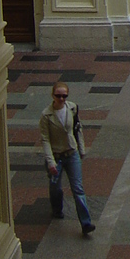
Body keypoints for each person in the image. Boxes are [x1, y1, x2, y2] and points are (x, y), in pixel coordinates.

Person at [39, 82, 96, 235]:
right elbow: (45, 139)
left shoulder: (72, 108)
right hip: (56, 156)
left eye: (64, 96)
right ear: (53, 96)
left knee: (78, 188)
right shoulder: (46, 115)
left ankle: (86, 223)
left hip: (72, 153)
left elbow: (78, 128)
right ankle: (57, 210)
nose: (62, 99)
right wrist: (50, 162)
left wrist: (82, 149)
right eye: (58, 96)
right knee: (55, 188)